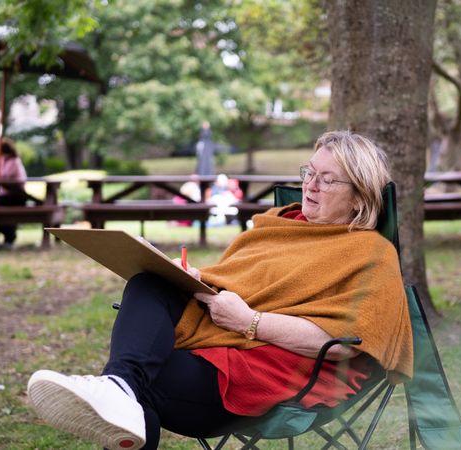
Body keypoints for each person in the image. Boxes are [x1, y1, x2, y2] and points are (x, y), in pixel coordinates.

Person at [26, 130, 414, 450]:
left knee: (143, 380)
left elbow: (348, 342)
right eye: (308, 173)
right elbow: (240, 279)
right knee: (149, 280)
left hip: (269, 374)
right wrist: (198, 280)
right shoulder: (280, 223)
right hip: (218, 340)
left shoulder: (371, 253)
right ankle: (118, 386)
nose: (309, 186)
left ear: (360, 197)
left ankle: (118, 388)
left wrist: (251, 321)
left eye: (327, 180)